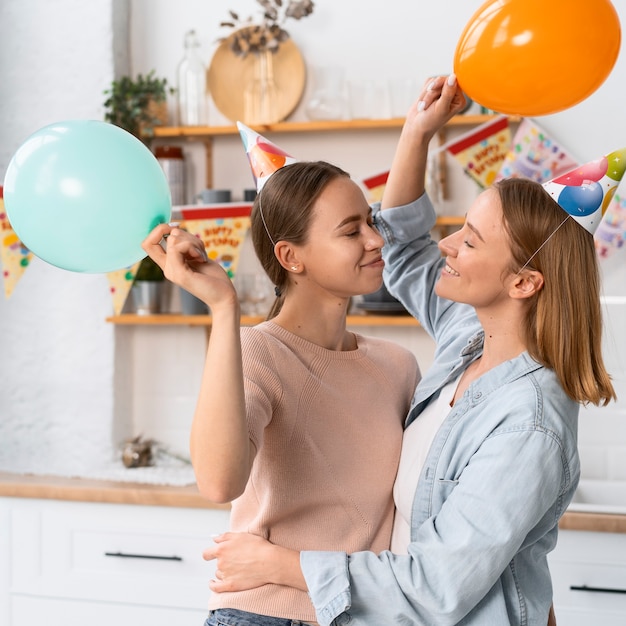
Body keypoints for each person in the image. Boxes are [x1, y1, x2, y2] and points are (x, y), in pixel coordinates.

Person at [201, 75, 617, 625]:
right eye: (355, 229)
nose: (447, 243)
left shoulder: (525, 423)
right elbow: (406, 250)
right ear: (290, 257)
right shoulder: (463, 342)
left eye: (469, 239)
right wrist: (417, 134)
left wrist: (281, 563)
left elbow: (437, 585)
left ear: (522, 283)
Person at [142, 157, 421, 625]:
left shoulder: (398, 366)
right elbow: (218, 482)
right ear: (292, 257)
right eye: (352, 231)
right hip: (265, 616)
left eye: (371, 222)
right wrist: (224, 309)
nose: (376, 240)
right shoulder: (257, 351)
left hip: (362, 613)